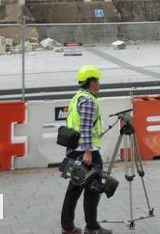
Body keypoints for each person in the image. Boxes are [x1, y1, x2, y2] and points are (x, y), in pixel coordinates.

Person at [61, 65, 111, 234]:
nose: (99, 83)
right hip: (86, 152)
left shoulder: (78, 97)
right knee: (93, 189)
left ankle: (68, 227)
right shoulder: (88, 100)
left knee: (74, 189)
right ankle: (92, 227)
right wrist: (88, 152)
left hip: (76, 149)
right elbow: (85, 126)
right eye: (97, 80)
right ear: (91, 82)